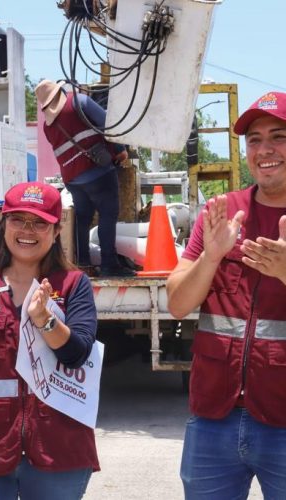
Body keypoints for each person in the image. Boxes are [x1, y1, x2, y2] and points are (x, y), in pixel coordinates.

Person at [167, 91, 286, 499]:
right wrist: (211, 256)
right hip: (212, 420)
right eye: (254, 139)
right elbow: (179, 303)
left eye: (278, 136)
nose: (264, 149)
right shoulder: (220, 214)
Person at [0, 181, 99, 500]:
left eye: (39, 222)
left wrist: (45, 318)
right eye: (18, 219)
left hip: (59, 448)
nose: (27, 230)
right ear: (4, 225)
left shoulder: (74, 285)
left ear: (56, 231)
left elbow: (76, 354)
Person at [35, 79, 134, 277]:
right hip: (98, 172)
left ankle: (83, 264)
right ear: (61, 91)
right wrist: (121, 151)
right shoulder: (80, 102)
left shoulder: (48, 126)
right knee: (108, 214)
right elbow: (109, 125)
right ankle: (109, 264)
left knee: (83, 218)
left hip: (72, 180)